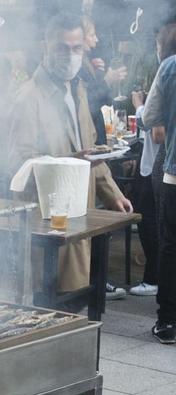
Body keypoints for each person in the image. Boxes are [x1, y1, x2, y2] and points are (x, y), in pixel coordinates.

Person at [9, 13, 133, 309]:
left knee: (78, 300)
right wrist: (68, 161)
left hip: (81, 212)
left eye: (77, 48)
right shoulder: (29, 98)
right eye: (62, 48)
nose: (71, 55)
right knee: (50, 302)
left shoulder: (77, 90)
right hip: (48, 221)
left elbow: (90, 150)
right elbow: (19, 163)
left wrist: (113, 194)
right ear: (45, 47)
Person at [145, 17, 176, 343]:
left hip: (175, 174)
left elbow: (150, 117)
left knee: (171, 247)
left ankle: (168, 322)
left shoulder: (169, 66)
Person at [80, 15, 127, 146]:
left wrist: (97, 74)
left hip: (96, 136)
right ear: (80, 38)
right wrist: (107, 80)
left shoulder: (87, 64)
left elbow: (104, 100)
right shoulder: (77, 68)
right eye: (92, 35)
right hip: (90, 139)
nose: (96, 39)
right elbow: (89, 103)